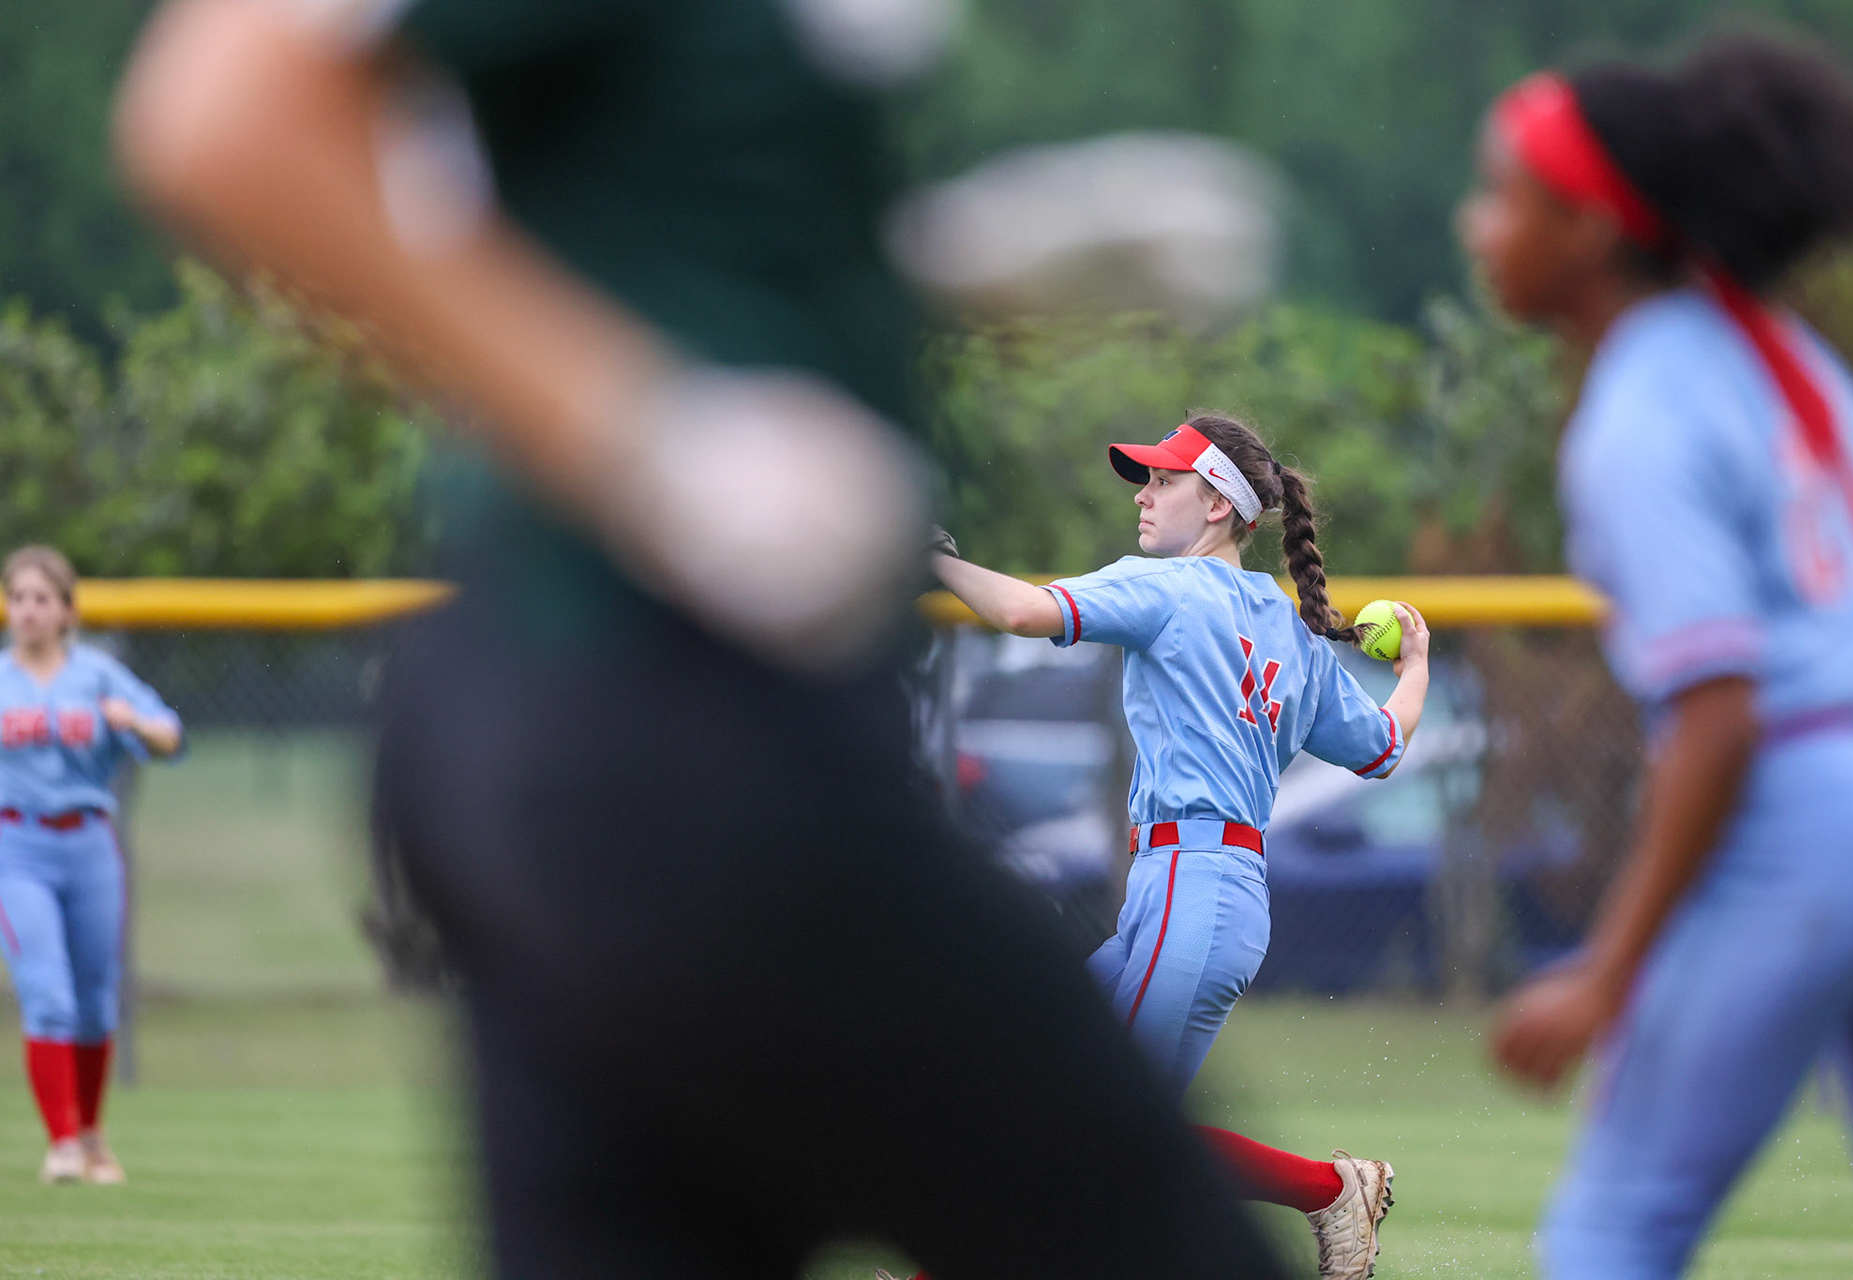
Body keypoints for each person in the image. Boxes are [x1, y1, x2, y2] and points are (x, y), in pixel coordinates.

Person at [114, 3, 1305, 1279]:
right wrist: (642, 433)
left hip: (579, 728)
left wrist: (907, 270)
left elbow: (620, 206)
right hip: (662, 715)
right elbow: (221, 116)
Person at [1459, 28, 1853, 1276]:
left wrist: (1611, 969)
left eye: (1508, 193)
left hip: (1810, 814)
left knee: (1621, 1219)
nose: (1478, 224)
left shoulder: (1644, 406)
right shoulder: (1784, 360)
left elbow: (1720, 712)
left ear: (1595, 227)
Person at [932, 414, 1431, 1280]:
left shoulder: (1165, 589)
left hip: (1190, 889)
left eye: (1163, 480)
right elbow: (1384, 745)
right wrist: (1417, 663)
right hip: (1204, 898)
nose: (1144, 492)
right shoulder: (1294, 632)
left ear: (1215, 506)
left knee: (1114, 1126)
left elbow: (1017, 609)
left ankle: (1328, 1190)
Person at [0, 545, 184, 1184]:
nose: (26, 610)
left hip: (89, 842)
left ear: (67, 610)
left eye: (40, 598)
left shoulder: (98, 676)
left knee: (94, 1001)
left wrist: (133, 721)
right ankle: (63, 1145)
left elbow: (170, 737)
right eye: (17, 597)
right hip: (17, 845)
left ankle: (92, 1133)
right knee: (46, 993)